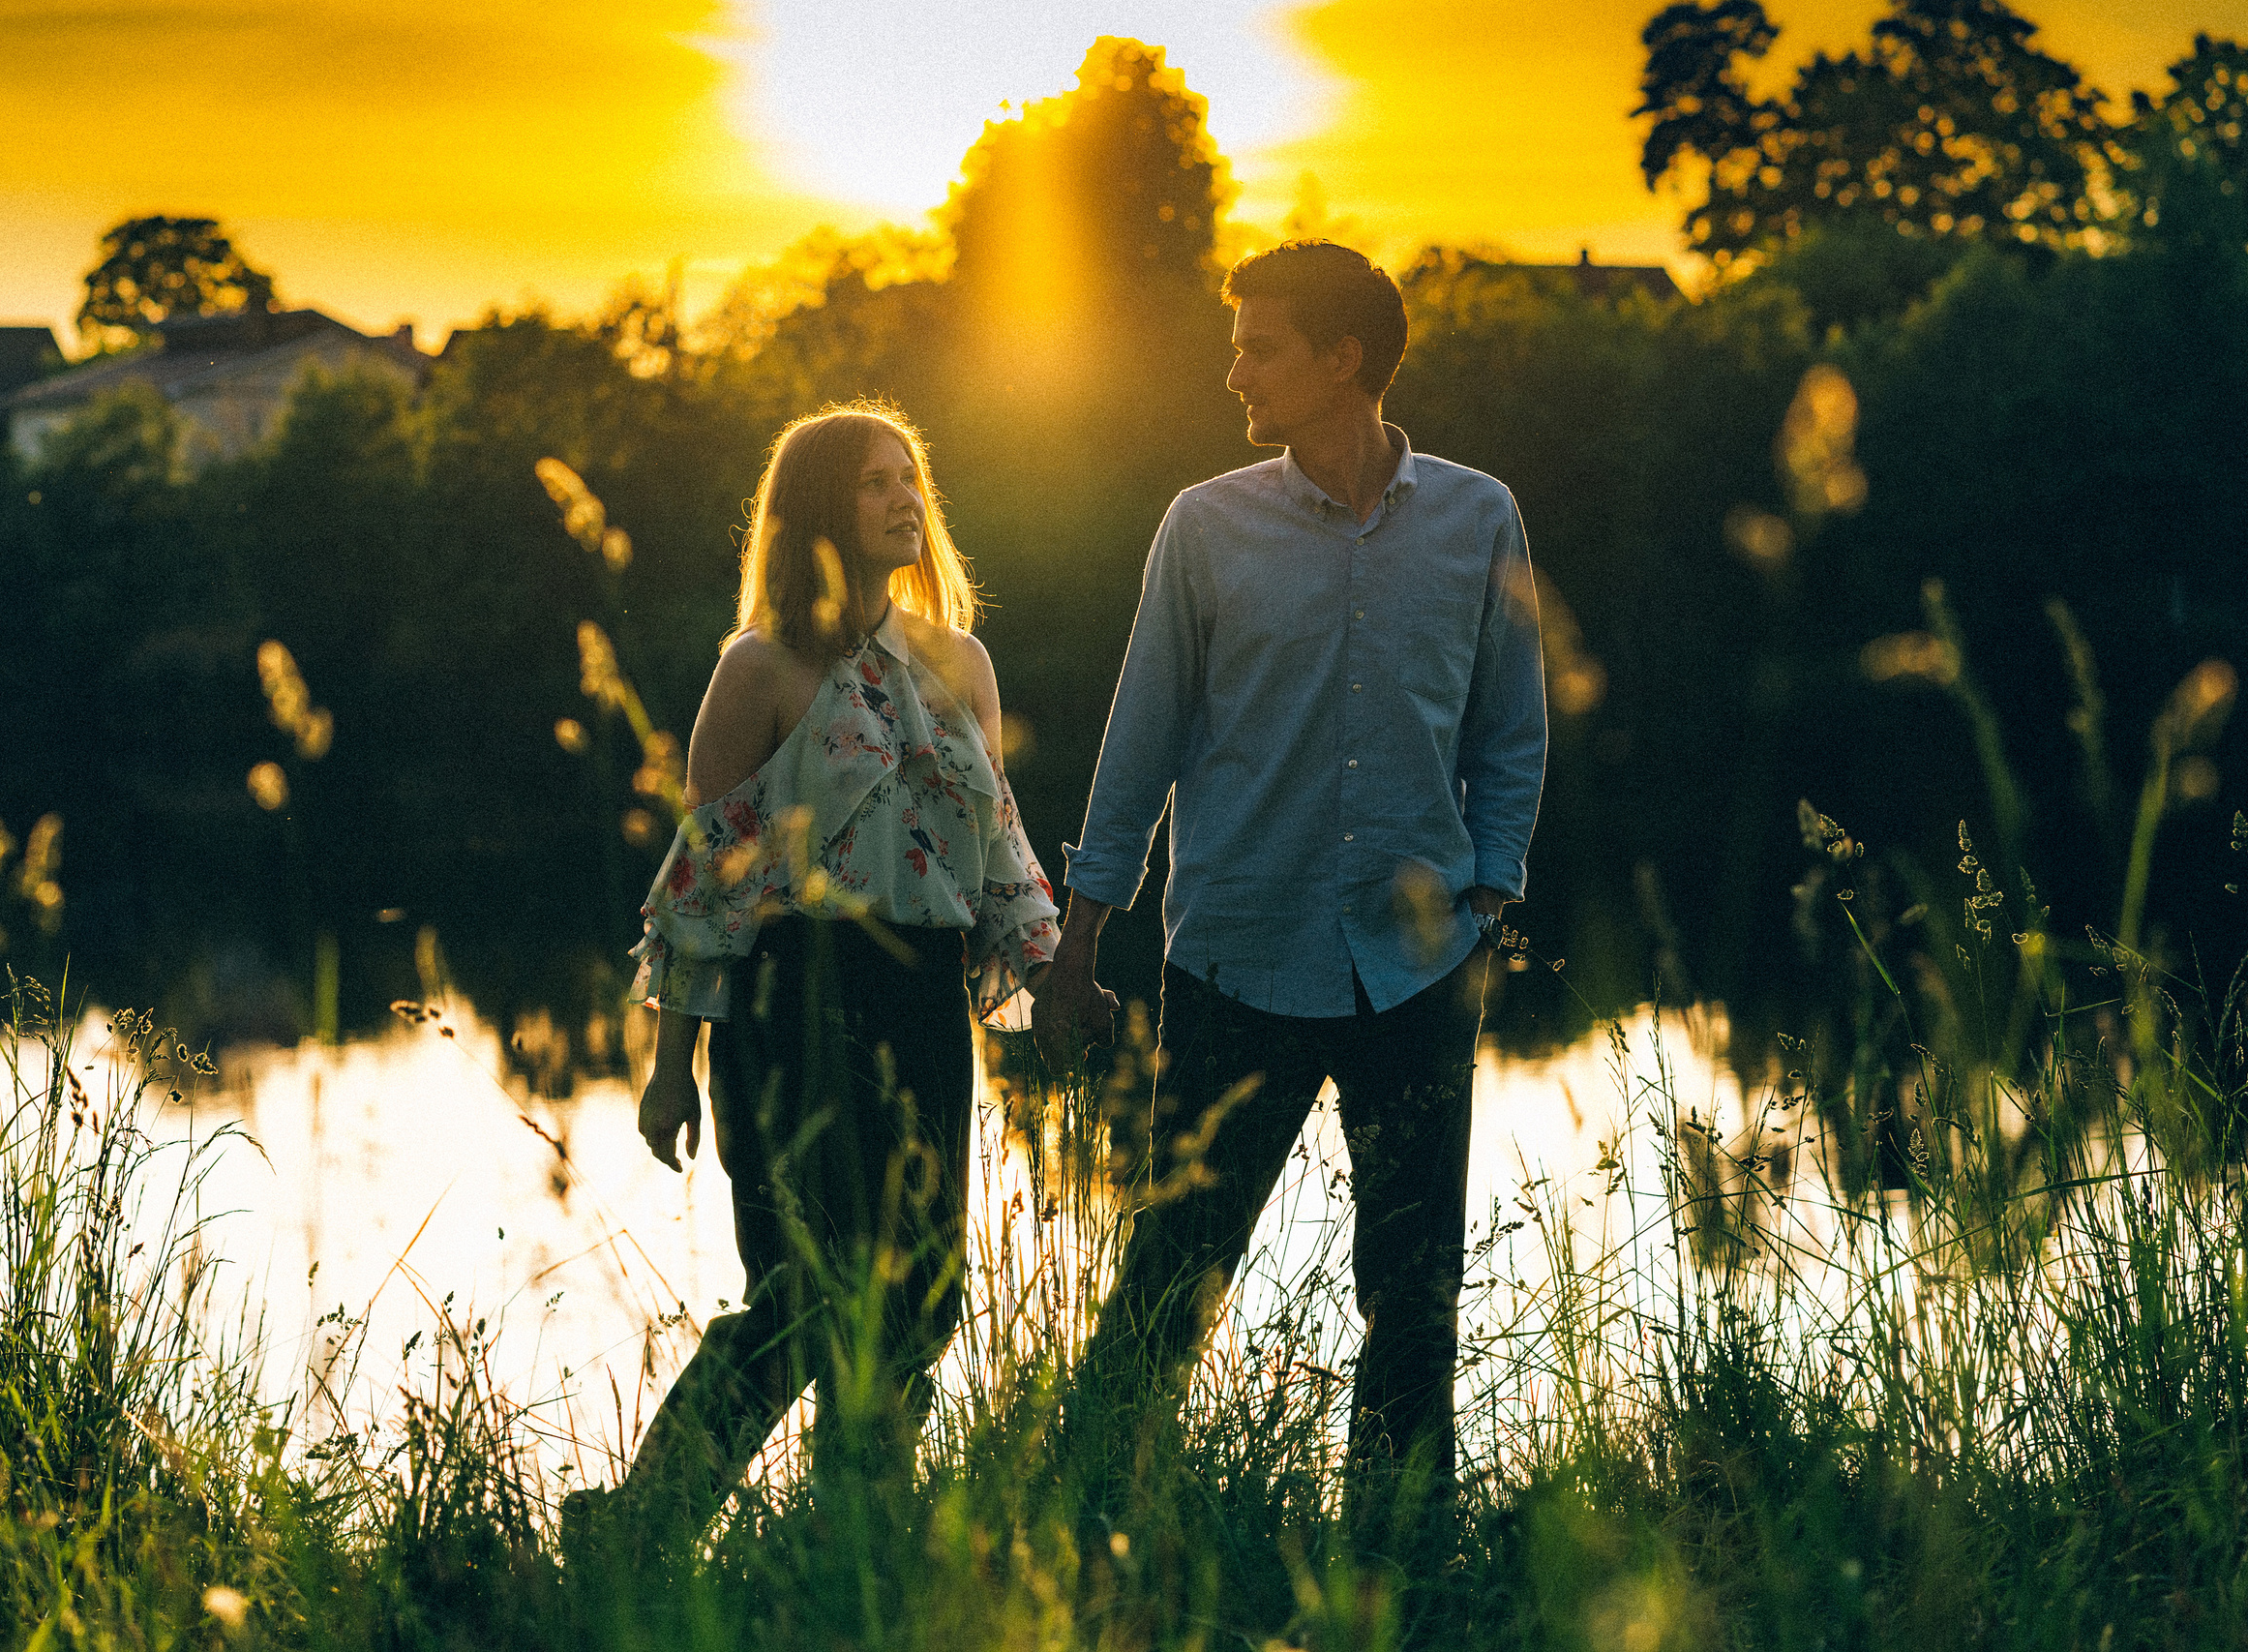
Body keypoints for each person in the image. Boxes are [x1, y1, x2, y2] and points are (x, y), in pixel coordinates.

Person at [1033, 241, 1548, 1517]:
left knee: (1416, 1292)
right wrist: (1079, 937)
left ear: (1343, 358)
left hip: (1419, 968)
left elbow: (1511, 726)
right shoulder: (1204, 527)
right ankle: (1069, 1527)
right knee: (1173, 1276)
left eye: (1260, 345)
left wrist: (1487, 891)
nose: (1233, 371)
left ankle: (1396, 1551)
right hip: (1236, 966)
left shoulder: (1480, 516)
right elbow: (1138, 732)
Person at [565, 403, 1081, 1561]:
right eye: (870, 482)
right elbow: (703, 887)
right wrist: (668, 1073)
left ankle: (862, 1538)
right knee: (805, 1289)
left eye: (912, 476)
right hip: (788, 999)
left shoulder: (961, 663)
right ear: (813, 511)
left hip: (919, 1000)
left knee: (921, 1291)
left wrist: (1054, 979)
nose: (903, 498)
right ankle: (638, 1528)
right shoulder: (758, 671)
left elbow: (997, 842)